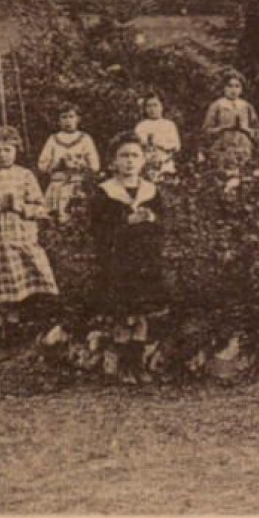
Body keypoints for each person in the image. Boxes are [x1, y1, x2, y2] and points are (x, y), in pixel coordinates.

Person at [0, 126, 57, 344]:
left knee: (17, 284)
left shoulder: (25, 175)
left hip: (19, 238)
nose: (2, 155)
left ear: (16, 150)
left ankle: (14, 329)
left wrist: (21, 208)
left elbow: (41, 208)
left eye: (7, 150)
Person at [89, 133, 168, 381]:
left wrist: (152, 219)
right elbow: (98, 229)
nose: (130, 161)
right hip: (118, 262)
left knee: (142, 313)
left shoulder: (151, 191)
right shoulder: (106, 192)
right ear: (113, 162)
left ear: (144, 160)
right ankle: (122, 365)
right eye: (124, 156)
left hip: (145, 261)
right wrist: (125, 222)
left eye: (135, 155)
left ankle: (137, 364)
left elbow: (164, 225)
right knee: (122, 314)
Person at [37, 104, 100, 224]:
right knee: (54, 219)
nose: (68, 121)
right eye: (64, 117)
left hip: (78, 184)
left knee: (78, 217)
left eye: (71, 116)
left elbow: (95, 166)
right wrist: (57, 164)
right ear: (58, 121)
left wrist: (79, 163)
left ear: (78, 119)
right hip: (57, 184)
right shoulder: (53, 139)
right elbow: (42, 165)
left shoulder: (85, 138)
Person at [201, 71, 259, 186]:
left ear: (242, 89)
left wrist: (246, 129)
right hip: (223, 148)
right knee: (224, 180)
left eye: (237, 86)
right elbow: (206, 131)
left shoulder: (247, 106)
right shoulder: (217, 105)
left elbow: (257, 131)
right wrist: (224, 128)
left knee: (244, 179)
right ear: (224, 88)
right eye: (230, 86)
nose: (233, 90)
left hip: (243, 148)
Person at [134, 93, 182, 181]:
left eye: (155, 105)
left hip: (165, 165)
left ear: (162, 106)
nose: (152, 109)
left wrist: (161, 144)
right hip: (147, 166)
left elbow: (176, 146)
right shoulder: (141, 126)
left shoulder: (169, 124)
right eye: (149, 106)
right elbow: (137, 146)